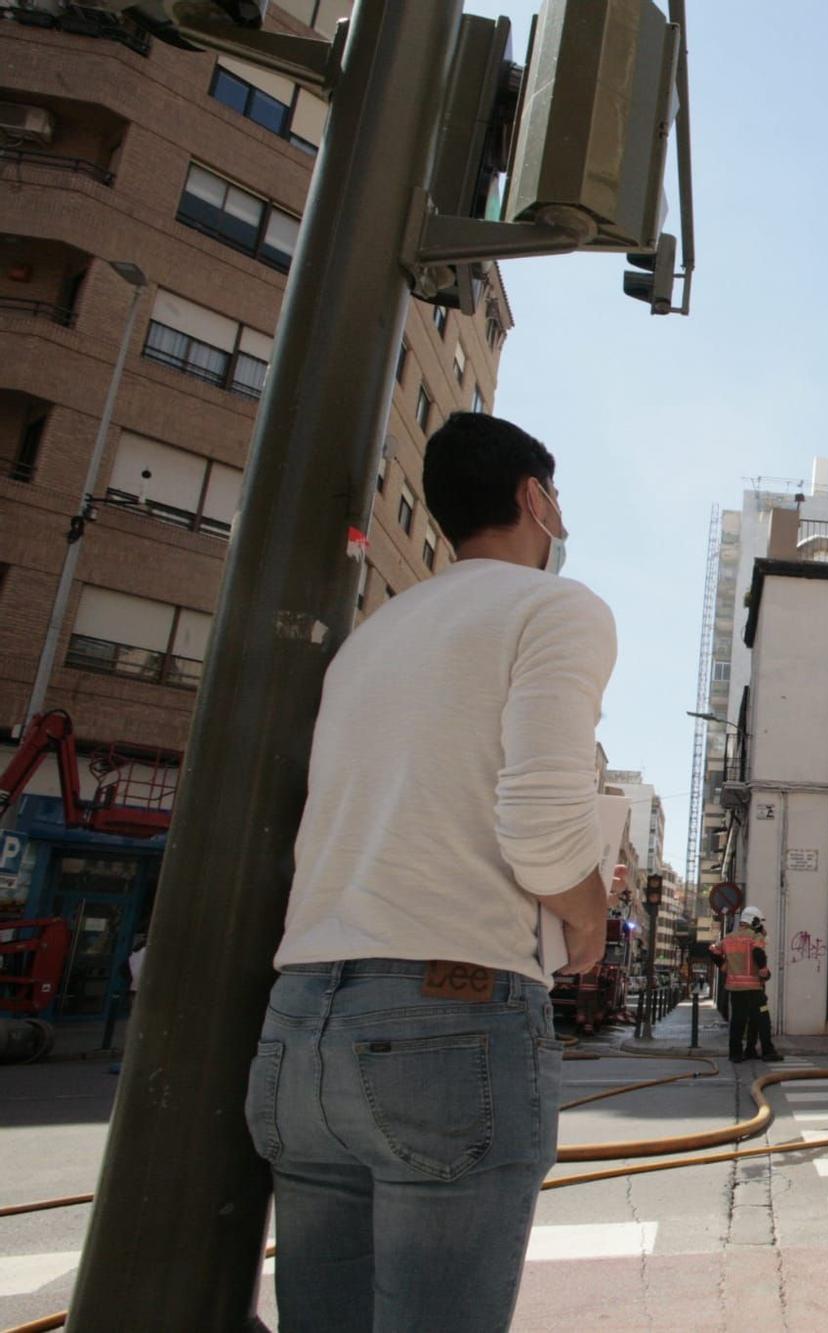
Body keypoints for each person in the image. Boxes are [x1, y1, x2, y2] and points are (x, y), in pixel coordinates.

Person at [247, 413, 617, 1331]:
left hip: (298, 1029)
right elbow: (539, 826)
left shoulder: (371, 637)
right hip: (450, 1014)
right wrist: (591, 911)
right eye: (555, 498)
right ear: (535, 500)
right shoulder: (555, 608)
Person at [710, 906, 782, 1063]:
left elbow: (714, 951)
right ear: (753, 920)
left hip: (735, 988)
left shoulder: (728, 938)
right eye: (759, 922)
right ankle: (768, 1051)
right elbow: (758, 952)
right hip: (754, 988)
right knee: (762, 1018)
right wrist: (763, 969)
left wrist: (723, 966)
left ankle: (736, 1054)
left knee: (738, 1020)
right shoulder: (754, 937)